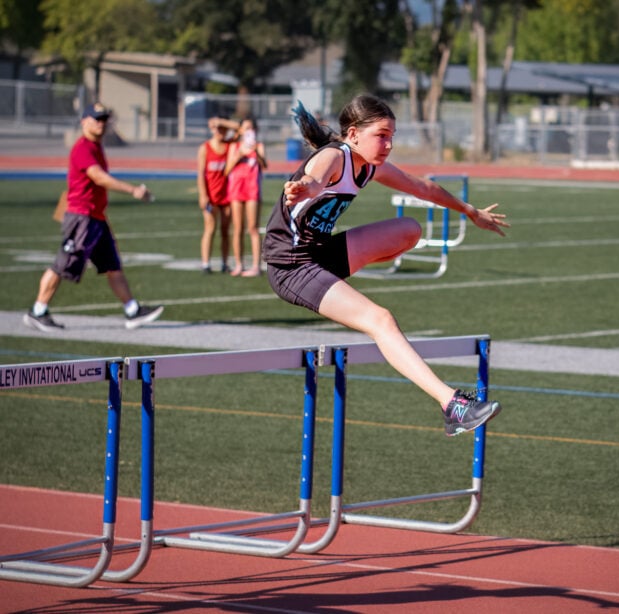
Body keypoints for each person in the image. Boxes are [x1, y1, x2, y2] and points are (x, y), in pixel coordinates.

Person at [262, 95, 509, 437]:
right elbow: (316, 177)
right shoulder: (334, 156)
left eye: (392, 136)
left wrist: (470, 211)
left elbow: (422, 187)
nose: (389, 144)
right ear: (353, 134)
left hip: (320, 253)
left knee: (410, 230)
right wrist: (306, 187)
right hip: (290, 265)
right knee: (381, 320)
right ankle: (452, 405)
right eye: (382, 135)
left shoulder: (370, 166)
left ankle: (337, 284)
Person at [23, 102, 164, 332]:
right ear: (84, 121)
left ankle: (132, 310)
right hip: (82, 218)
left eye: (104, 119)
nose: (102, 123)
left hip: (96, 217)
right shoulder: (83, 148)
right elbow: (99, 177)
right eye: (97, 118)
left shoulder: (96, 147)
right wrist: (133, 190)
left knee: (112, 265)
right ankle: (38, 311)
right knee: (62, 263)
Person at [225, 117, 268, 276]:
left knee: (253, 228)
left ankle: (256, 266)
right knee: (237, 228)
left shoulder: (259, 146)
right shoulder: (234, 147)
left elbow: (264, 166)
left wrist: (255, 152)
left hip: (252, 190)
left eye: (251, 128)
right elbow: (227, 170)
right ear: (240, 131)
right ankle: (238, 264)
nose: (248, 131)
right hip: (237, 189)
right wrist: (238, 156)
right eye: (245, 128)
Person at [196, 116, 238, 273]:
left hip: (227, 195)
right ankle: (206, 263)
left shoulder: (229, 146)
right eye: (217, 128)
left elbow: (239, 129)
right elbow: (200, 174)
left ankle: (224, 263)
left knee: (225, 230)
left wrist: (222, 122)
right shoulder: (204, 148)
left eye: (223, 129)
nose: (220, 131)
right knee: (210, 228)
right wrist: (203, 195)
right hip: (211, 195)